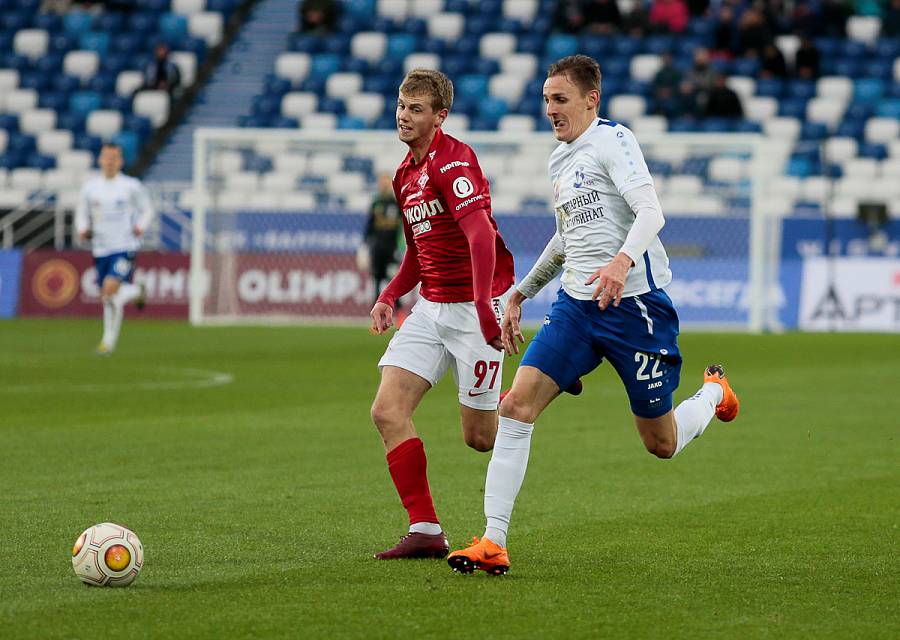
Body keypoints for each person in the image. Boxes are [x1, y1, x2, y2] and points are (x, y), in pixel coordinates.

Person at [446, 55, 740, 575]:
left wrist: (621, 261)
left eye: (560, 99)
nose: (550, 110)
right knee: (515, 407)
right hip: (576, 309)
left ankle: (714, 392)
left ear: (591, 100)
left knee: (661, 443)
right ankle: (493, 540)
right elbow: (567, 239)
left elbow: (651, 212)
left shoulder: (613, 140)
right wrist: (520, 293)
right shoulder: (559, 161)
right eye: (546, 100)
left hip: (635, 309)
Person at [368, 69, 516, 560]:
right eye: (401, 106)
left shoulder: (454, 162)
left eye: (416, 109)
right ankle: (426, 528)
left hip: (475, 311)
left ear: (440, 116)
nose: (404, 116)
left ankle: (529, 392)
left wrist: (484, 307)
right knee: (387, 410)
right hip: (431, 308)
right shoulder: (404, 175)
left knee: (480, 439)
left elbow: (480, 236)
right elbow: (418, 251)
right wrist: (390, 294)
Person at [75, 143, 153, 355]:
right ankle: (137, 291)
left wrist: (140, 226)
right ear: (100, 160)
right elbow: (81, 212)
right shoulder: (90, 187)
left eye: (114, 158)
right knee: (108, 297)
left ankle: (107, 343)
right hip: (101, 248)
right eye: (106, 157)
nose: (110, 161)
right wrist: (82, 229)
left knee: (109, 289)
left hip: (124, 246)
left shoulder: (131, 186)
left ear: (121, 161)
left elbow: (147, 210)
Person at [363, 173, 404, 308]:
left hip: (392, 247)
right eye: (382, 182)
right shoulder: (376, 203)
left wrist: (402, 246)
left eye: (386, 182)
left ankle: (399, 309)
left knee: (392, 276)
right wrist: (365, 245)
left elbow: (403, 225)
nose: (384, 185)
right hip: (377, 247)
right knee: (376, 278)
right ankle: (376, 309)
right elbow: (369, 226)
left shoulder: (396, 202)